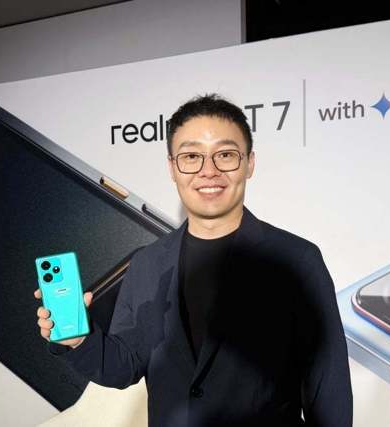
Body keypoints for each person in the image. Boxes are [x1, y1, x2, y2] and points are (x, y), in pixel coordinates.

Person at [34, 94, 353, 426]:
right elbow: (125, 365)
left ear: (249, 163)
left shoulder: (297, 259)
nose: (208, 171)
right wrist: (78, 340)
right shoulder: (147, 263)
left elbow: (327, 383)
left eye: (225, 155)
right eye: (191, 157)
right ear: (173, 168)